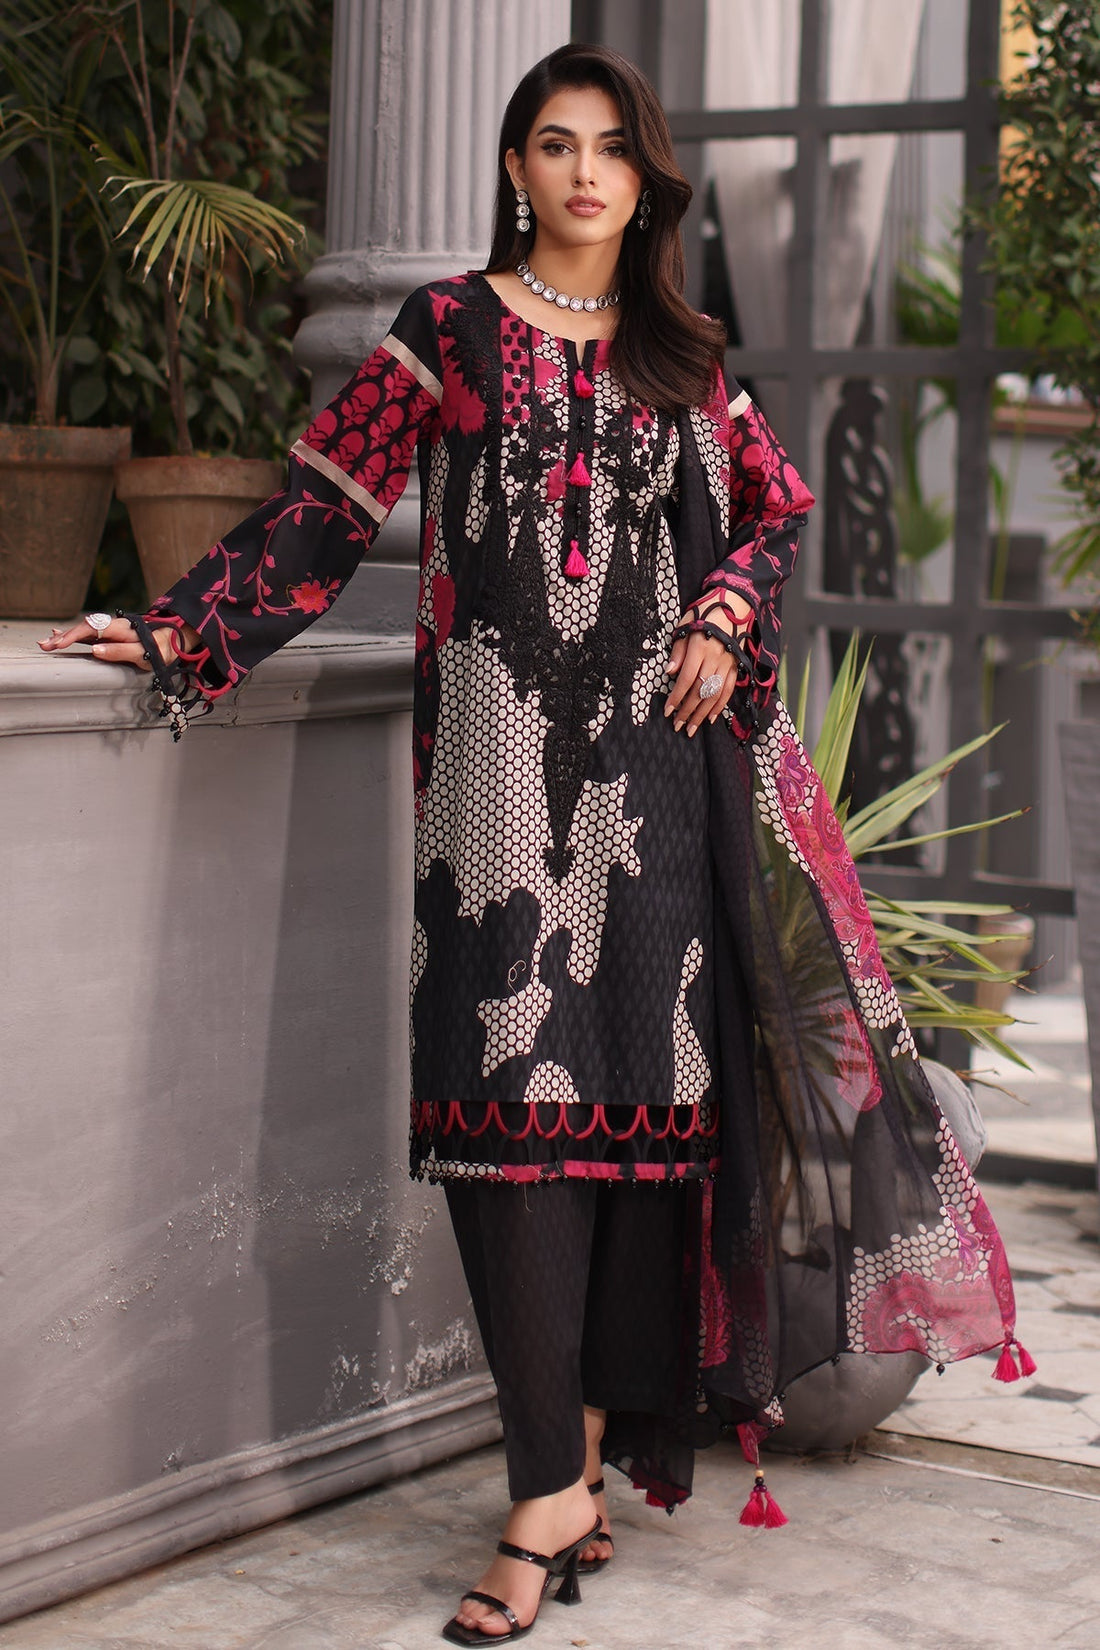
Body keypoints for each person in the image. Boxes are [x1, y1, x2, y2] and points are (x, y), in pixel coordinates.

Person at [42, 43, 1032, 1647]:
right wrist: (177, 631)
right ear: (516, 169)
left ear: (644, 181)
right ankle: (543, 1479)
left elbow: (774, 511)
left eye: (611, 150)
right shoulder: (447, 328)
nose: (583, 173)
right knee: (506, 1131)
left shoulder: (681, 359)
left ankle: (560, 1482)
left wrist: (722, 612)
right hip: (494, 787)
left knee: (642, 1142)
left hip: (656, 791)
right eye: (555, 145)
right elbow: (326, 503)